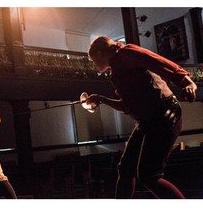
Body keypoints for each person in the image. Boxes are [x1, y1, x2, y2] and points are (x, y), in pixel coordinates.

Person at [84, 36, 197, 199]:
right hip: (148, 120)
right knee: (125, 169)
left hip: (164, 113)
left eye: (94, 60)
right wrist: (101, 100)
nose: (95, 65)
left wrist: (186, 82)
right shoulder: (116, 70)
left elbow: (158, 62)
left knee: (149, 175)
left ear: (100, 53)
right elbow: (128, 106)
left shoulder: (126, 53)